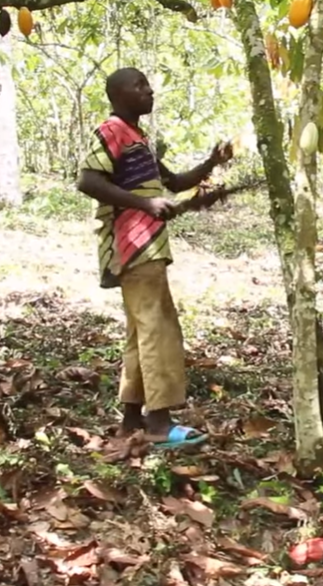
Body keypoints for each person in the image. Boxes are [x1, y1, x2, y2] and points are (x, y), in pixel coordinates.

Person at [76, 67, 232, 449]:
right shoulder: (111, 131)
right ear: (118, 95)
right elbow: (88, 180)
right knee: (158, 328)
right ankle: (159, 423)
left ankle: (131, 419)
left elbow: (174, 183)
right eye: (140, 85)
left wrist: (211, 164)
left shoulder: (139, 139)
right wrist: (144, 204)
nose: (150, 91)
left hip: (148, 244)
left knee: (140, 329)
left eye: (147, 84)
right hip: (133, 244)